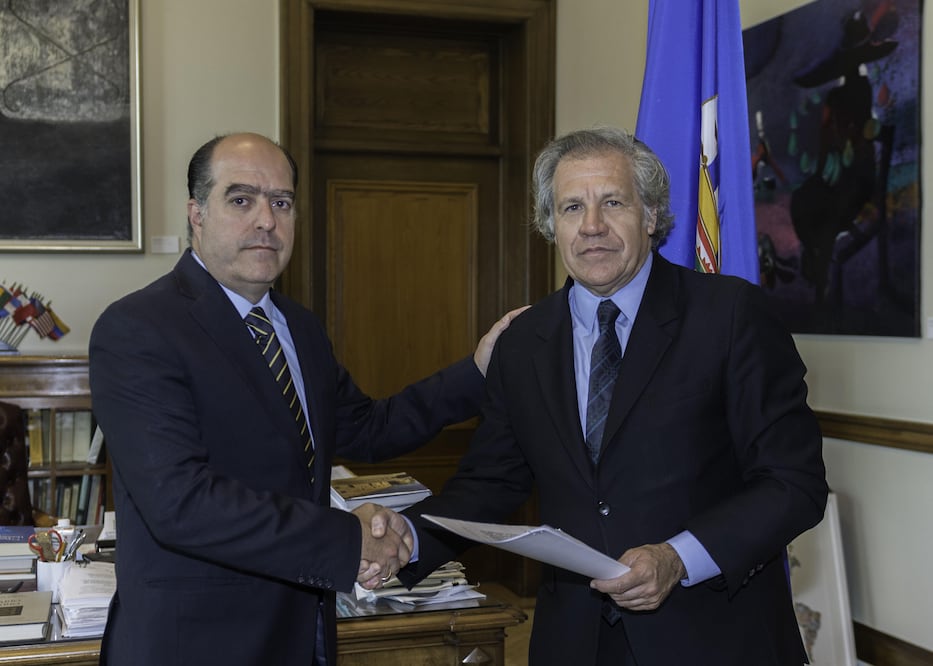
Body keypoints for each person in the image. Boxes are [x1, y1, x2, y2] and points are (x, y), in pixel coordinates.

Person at [399, 127, 828, 665]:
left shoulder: (731, 316)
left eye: (613, 202)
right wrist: (408, 538)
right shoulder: (523, 343)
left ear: (650, 216)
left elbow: (794, 482)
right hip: (575, 643)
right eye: (573, 207)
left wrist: (678, 557)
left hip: (715, 638)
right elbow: (491, 483)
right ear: (551, 226)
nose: (593, 226)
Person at [88, 132, 520, 666]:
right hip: (195, 644)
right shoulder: (139, 328)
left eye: (282, 202)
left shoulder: (300, 328)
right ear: (196, 215)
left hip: (302, 632)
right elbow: (180, 502)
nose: (266, 220)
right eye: (241, 199)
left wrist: (477, 371)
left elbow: (367, 427)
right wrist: (348, 541)